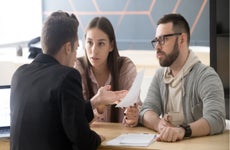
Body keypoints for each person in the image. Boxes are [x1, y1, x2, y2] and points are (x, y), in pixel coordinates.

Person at [10, 11, 127, 150]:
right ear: (68, 47)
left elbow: (65, 116)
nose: (76, 56)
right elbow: (83, 141)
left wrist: (96, 101)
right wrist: (97, 138)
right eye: (77, 48)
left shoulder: (19, 74)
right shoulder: (67, 76)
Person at [125, 13, 226, 142]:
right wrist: (159, 124)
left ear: (181, 40)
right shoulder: (160, 75)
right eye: (156, 41)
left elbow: (216, 119)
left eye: (163, 39)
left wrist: (183, 130)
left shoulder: (206, 76)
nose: (157, 47)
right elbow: (146, 110)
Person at [75, 16, 141, 124]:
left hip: (121, 137)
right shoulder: (77, 68)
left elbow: (136, 108)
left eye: (101, 43)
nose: (94, 50)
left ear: (111, 46)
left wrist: (133, 116)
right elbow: (75, 119)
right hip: (89, 138)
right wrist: (98, 107)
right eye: (90, 43)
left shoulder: (125, 67)